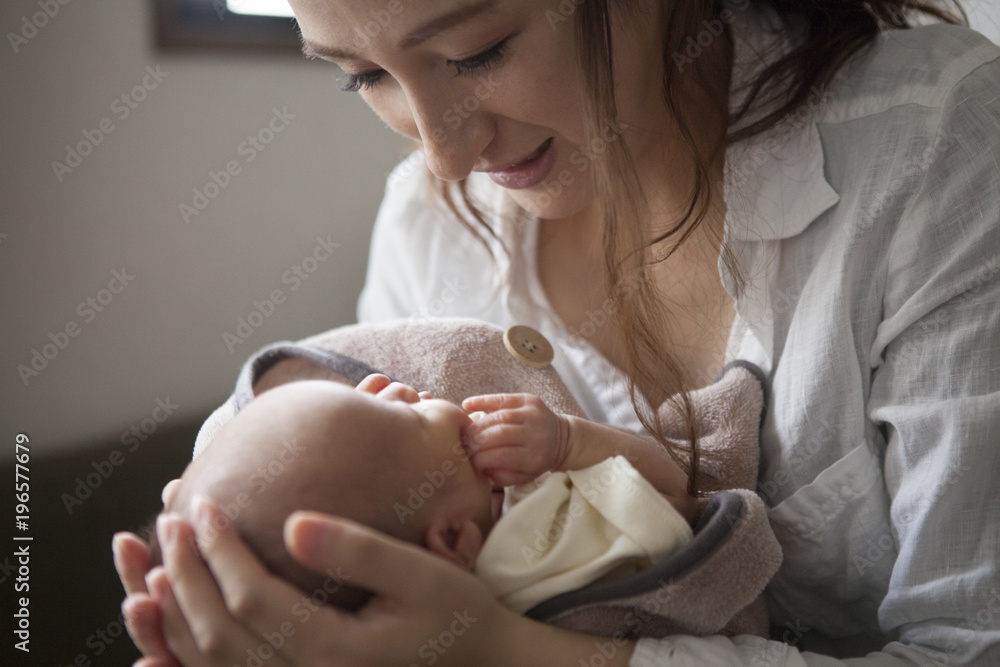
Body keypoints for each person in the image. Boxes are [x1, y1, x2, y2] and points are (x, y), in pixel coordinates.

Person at [113, 0, 1000, 664]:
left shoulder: (938, 146)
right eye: (365, 76)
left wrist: (510, 654)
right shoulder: (429, 226)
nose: (445, 155)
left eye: (476, 50)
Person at [147, 377, 698, 615]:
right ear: (453, 537)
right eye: (404, 417)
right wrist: (571, 441)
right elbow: (682, 496)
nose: (402, 389)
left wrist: (371, 429)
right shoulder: (542, 550)